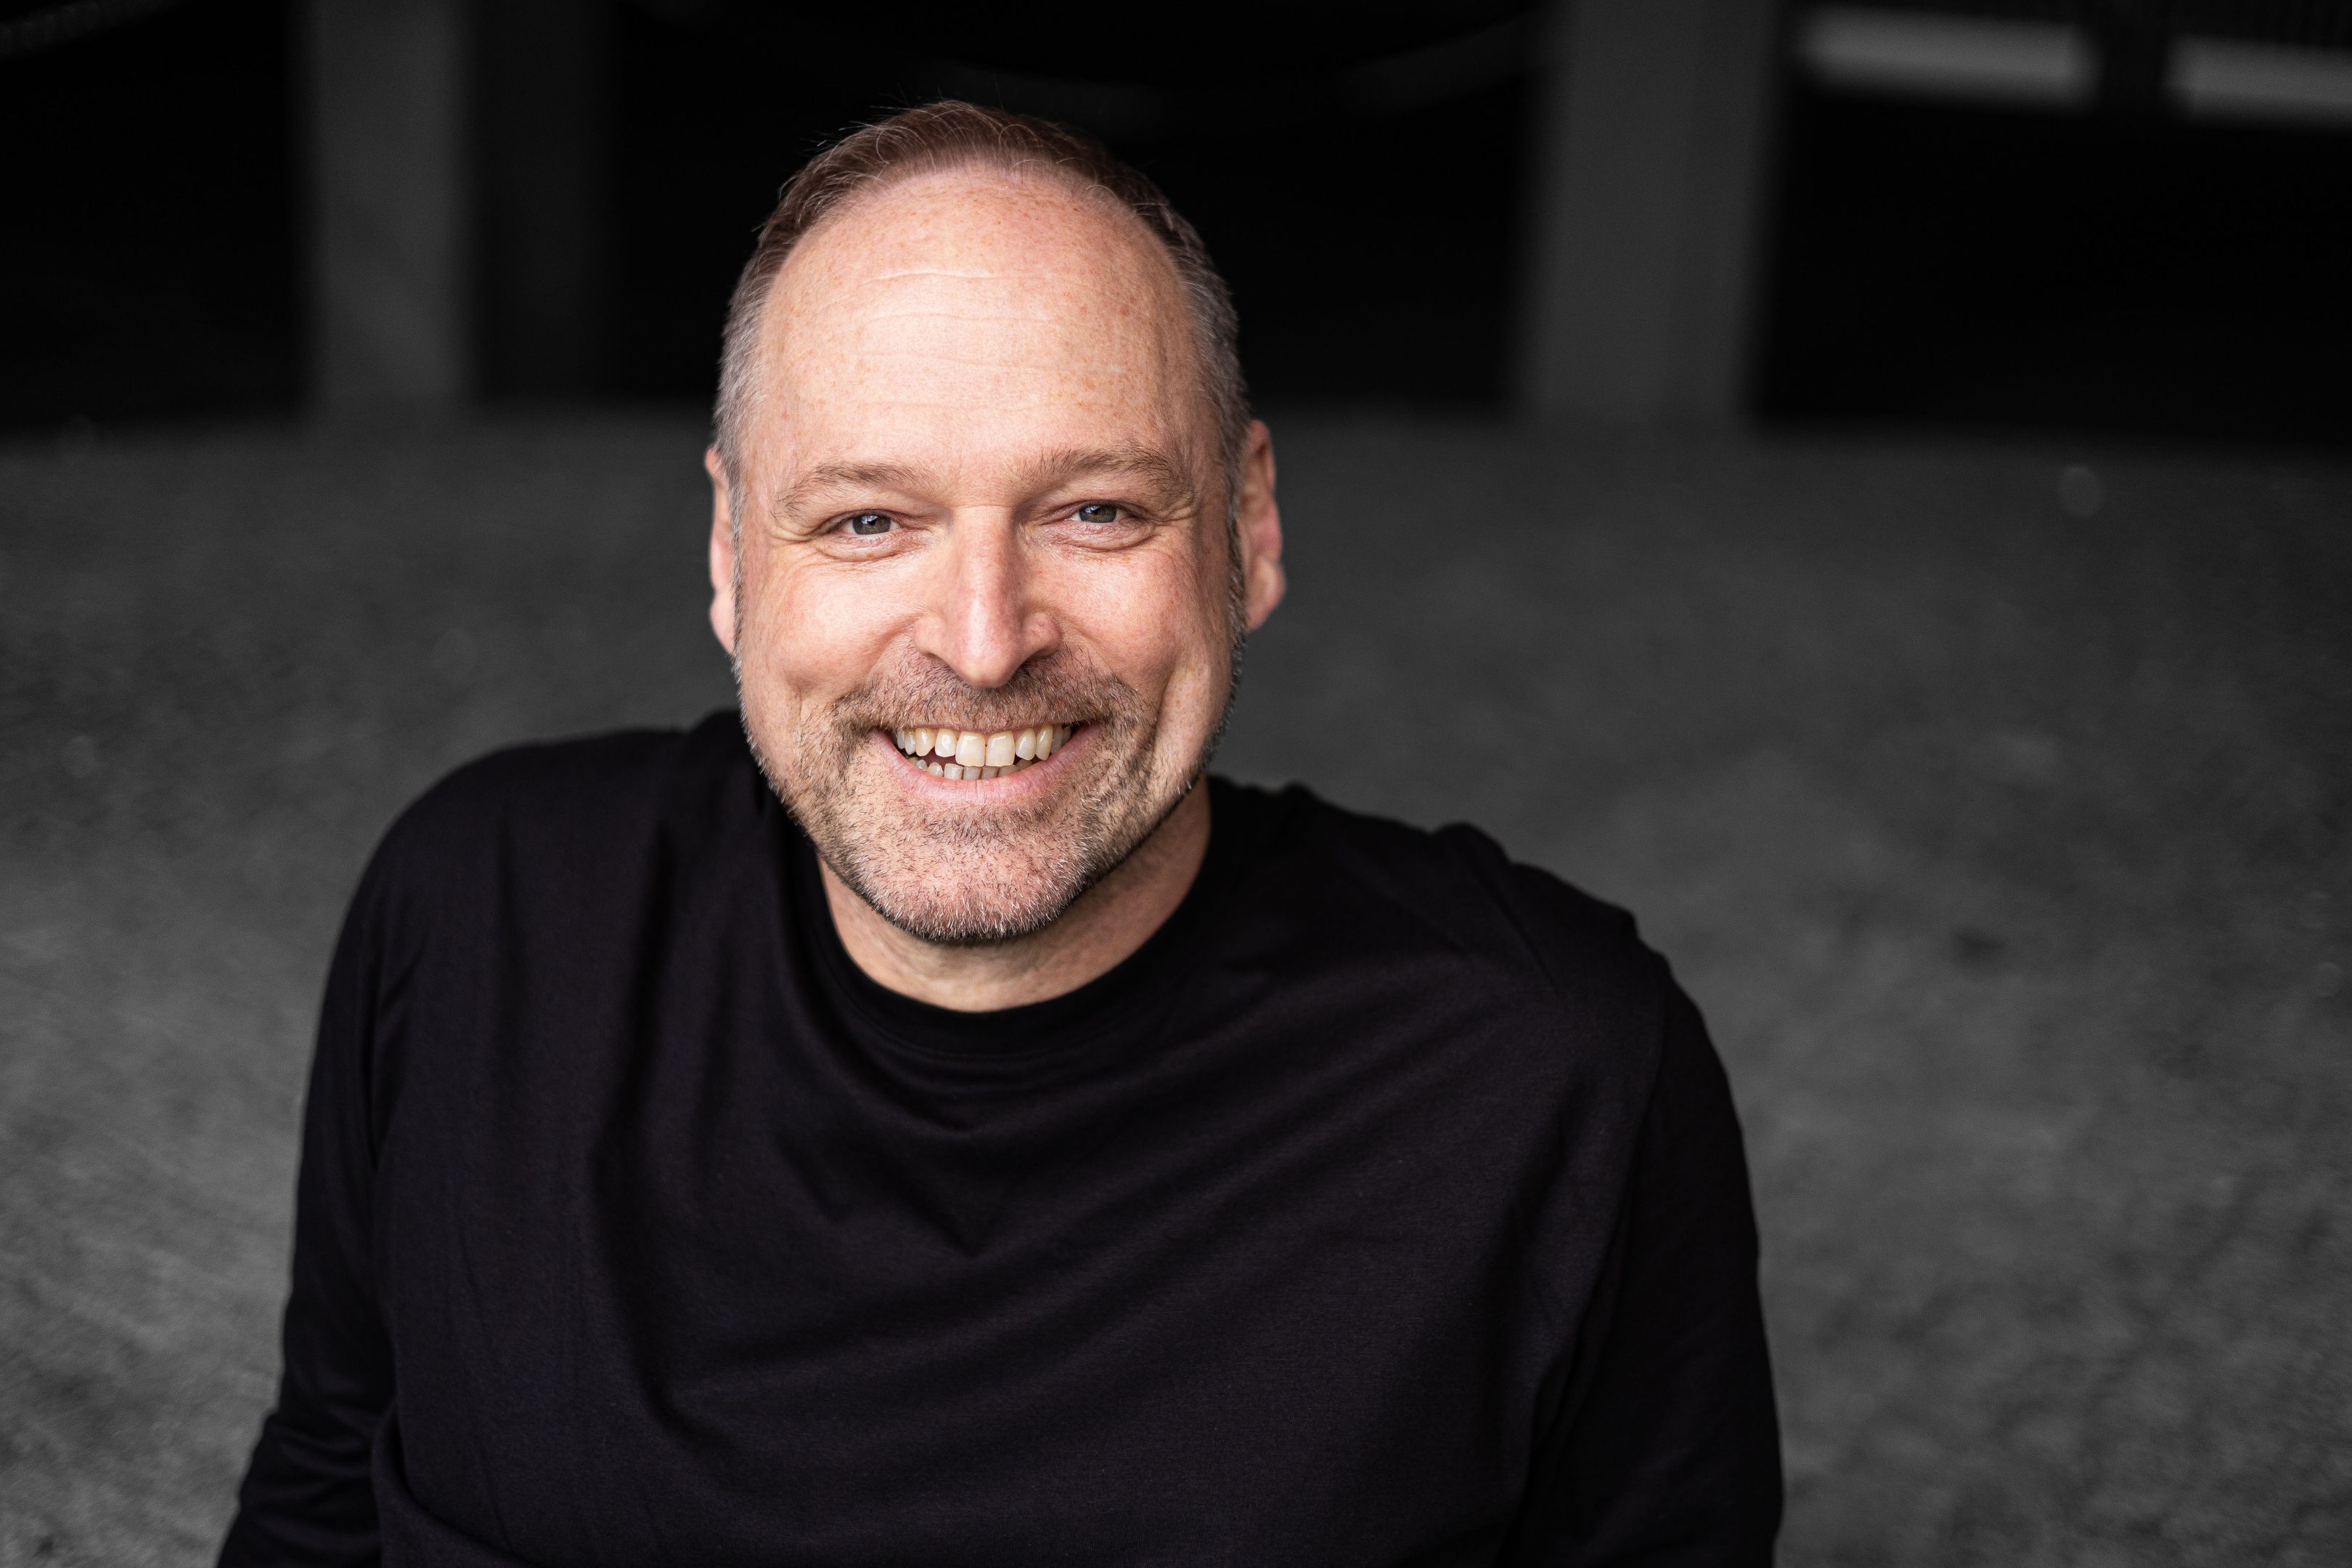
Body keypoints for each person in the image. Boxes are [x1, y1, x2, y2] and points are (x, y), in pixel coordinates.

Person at [219, 101, 1780, 1565]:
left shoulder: (1549, 1079)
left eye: (1096, 510)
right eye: (867, 520)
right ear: (730, 554)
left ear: (1249, 530)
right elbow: (323, 1502)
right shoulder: (481, 915)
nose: (982, 642)